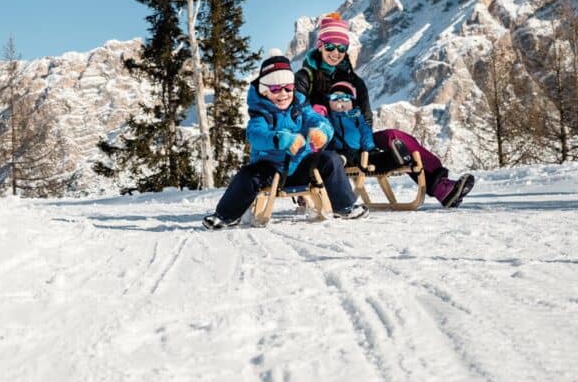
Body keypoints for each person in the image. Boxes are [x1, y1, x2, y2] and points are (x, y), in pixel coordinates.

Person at [295, 13, 474, 208]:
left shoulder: (354, 81)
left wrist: (364, 141)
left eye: (341, 48)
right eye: (330, 46)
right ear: (320, 46)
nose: (335, 52)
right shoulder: (306, 77)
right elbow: (297, 110)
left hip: (355, 139)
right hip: (324, 143)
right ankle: (313, 187)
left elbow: (365, 115)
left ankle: (440, 185)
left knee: (394, 138)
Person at [203, 53, 368, 229]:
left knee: (331, 160)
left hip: (301, 166)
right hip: (270, 168)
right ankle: (225, 216)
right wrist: (279, 139)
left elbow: (320, 121)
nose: (283, 94)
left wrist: (322, 132)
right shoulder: (261, 114)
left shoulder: (301, 107)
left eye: (288, 88)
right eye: (275, 89)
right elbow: (255, 135)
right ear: (264, 91)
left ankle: (345, 206)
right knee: (247, 175)